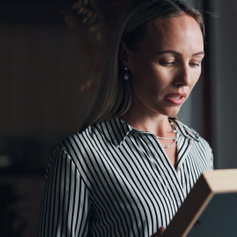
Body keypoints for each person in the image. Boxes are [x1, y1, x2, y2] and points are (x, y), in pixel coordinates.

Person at [37, 0, 213, 236]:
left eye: (194, 63)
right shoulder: (79, 156)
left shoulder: (200, 151)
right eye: (168, 61)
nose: (185, 78)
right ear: (125, 56)